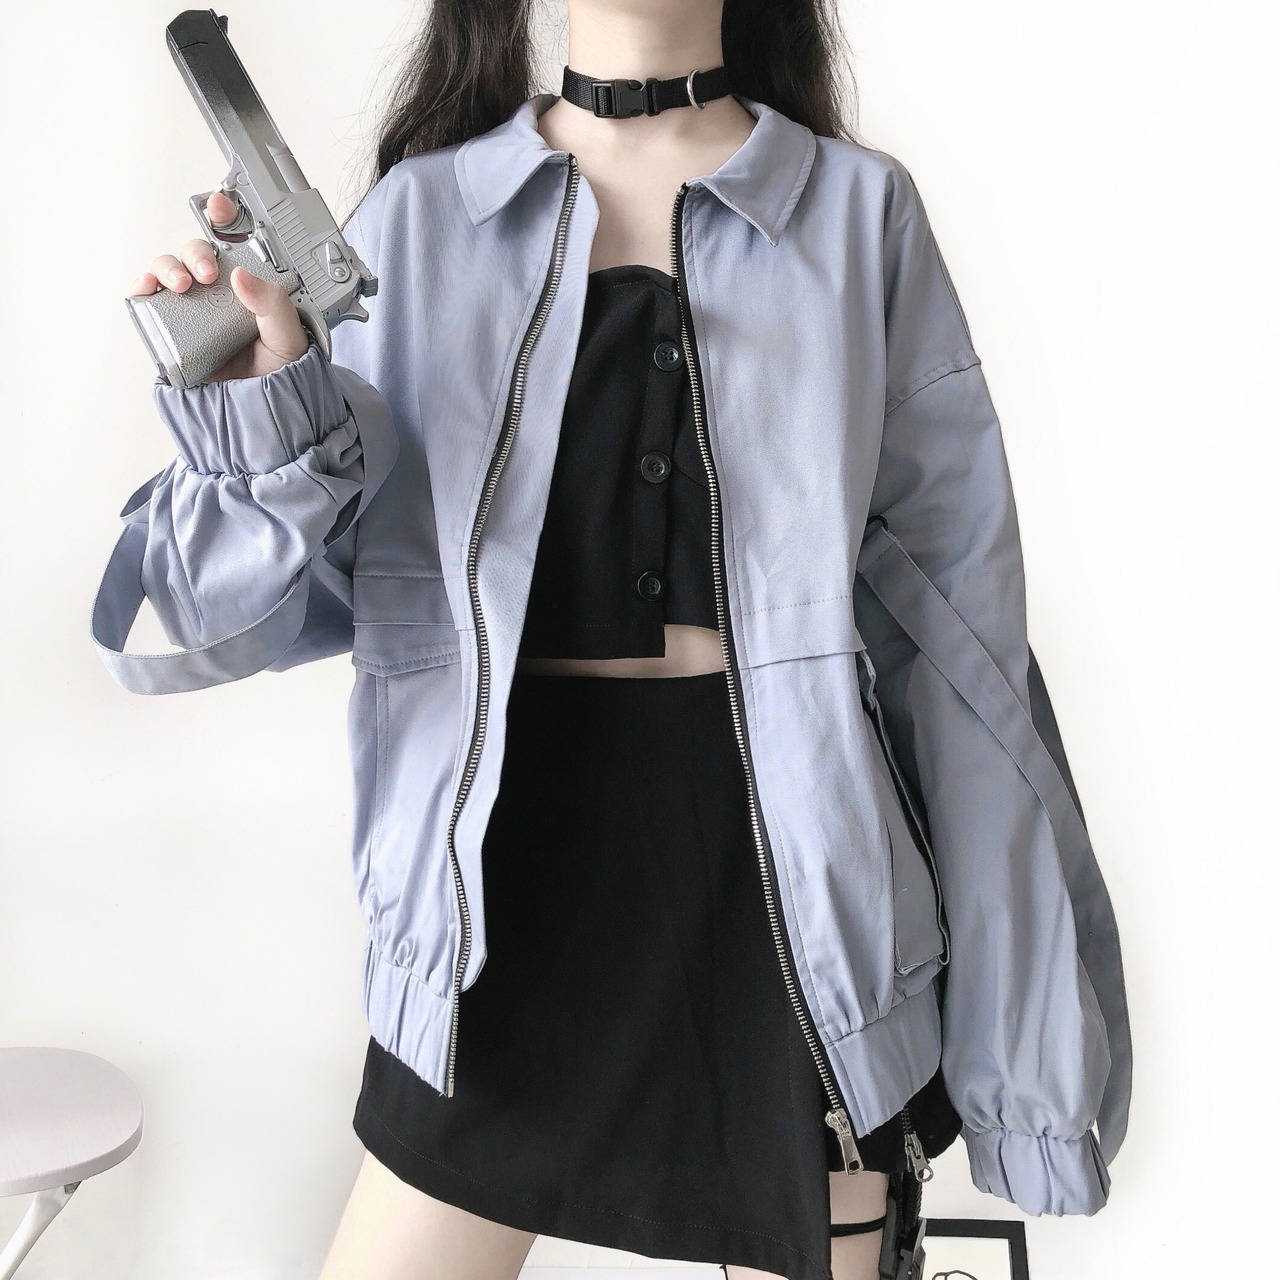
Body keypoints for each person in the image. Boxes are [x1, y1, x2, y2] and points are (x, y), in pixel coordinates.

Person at [111, 1, 1130, 1278]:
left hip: (788, 904)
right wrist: (260, 418)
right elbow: (243, 616)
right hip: (500, 896)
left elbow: (965, 666)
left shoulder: (855, 214)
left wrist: (1026, 1080)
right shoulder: (417, 221)